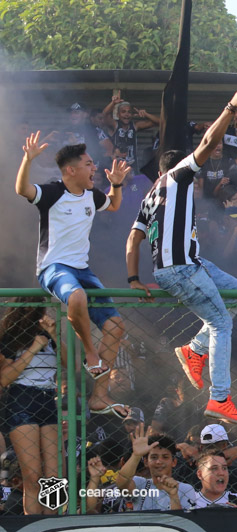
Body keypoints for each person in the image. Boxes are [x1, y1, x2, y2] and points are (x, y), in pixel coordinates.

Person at [126, 87, 237, 424]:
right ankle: (219, 398)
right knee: (221, 322)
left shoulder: (149, 197)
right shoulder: (176, 177)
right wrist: (231, 106)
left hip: (190, 264)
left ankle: (194, 349)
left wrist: (133, 279)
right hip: (180, 268)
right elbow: (208, 144)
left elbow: (132, 241)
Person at [16, 133, 130, 419]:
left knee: (116, 326)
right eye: (89, 164)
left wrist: (117, 184)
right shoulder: (53, 193)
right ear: (71, 170)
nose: (94, 168)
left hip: (82, 269)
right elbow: (22, 190)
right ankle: (91, 355)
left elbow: (113, 205)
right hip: (53, 267)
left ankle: (100, 396)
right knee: (76, 296)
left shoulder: (92, 195)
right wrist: (28, 159)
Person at [0, 299, 66, 515]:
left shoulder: (47, 333)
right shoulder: (11, 336)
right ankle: (34, 526)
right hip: (22, 400)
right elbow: (4, 379)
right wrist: (33, 348)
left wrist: (54, 335)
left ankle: (52, 524)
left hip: (48, 399)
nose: (36, 312)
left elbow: (71, 363)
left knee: (55, 477)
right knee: (33, 475)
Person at [115, 426, 196, 510]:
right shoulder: (140, 484)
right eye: (154, 457)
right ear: (146, 462)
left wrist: (173, 495)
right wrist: (136, 455)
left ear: (174, 462)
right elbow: (121, 483)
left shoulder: (186, 489)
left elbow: (183, 521)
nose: (159, 461)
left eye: (165, 457)